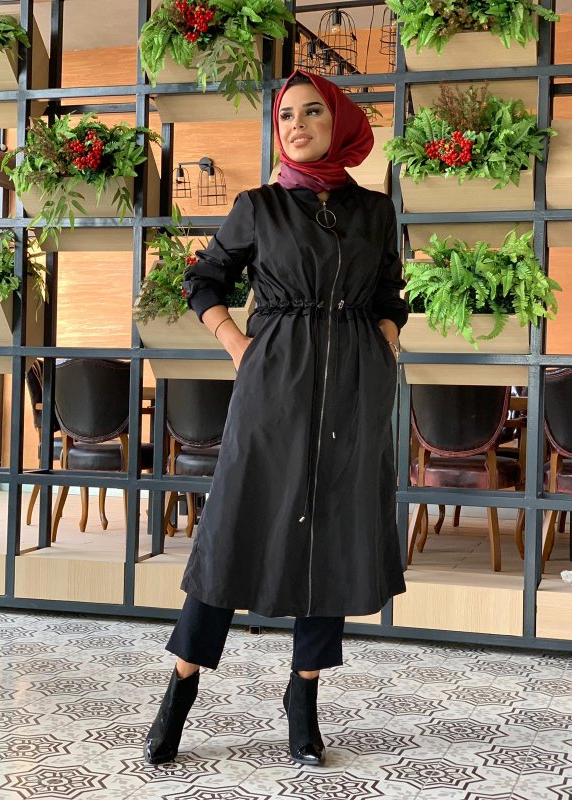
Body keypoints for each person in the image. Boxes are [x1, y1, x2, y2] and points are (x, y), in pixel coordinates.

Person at [144, 68, 408, 767]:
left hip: (354, 387)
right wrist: (238, 344)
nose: (297, 125)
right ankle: (180, 689)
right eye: (286, 115)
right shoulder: (257, 206)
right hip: (274, 384)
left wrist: (383, 342)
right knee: (234, 529)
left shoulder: (375, 211)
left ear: (338, 122)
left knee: (330, 536)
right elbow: (205, 279)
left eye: (311, 112)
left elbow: (391, 291)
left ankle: (303, 697)